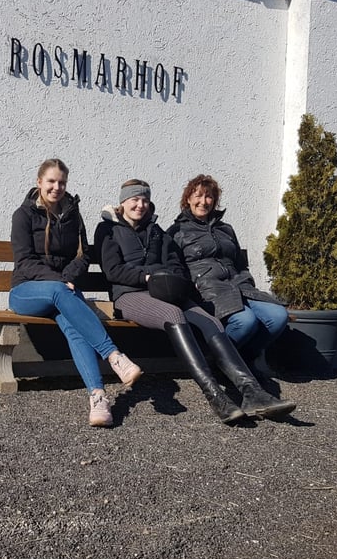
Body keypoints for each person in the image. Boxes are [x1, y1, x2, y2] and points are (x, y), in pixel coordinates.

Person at [94, 179, 295, 423]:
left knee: (211, 321)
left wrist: (172, 280)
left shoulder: (156, 231)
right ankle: (216, 396)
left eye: (145, 200)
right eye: (135, 199)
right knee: (174, 315)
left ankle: (252, 392)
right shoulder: (108, 229)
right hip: (129, 295)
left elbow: (175, 264)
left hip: (164, 291)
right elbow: (113, 271)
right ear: (123, 202)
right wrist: (147, 277)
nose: (140, 205)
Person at [9, 159, 142, 428]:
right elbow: (24, 261)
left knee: (73, 327)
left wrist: (66, 279)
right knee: (60, 292)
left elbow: (83, 256)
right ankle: (114, 356)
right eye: (51, 182)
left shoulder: (72, 214)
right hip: (26, 291)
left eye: (62, 183)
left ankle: (98, 397)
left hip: (62, 292)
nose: (57, 187)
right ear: (39, 182)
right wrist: (59, 281)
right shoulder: (22, 215)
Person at [168, 174, 290, 370]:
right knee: (245, 322)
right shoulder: (177, 231)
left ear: (215, 201)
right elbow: (176, 269)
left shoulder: (226, 229)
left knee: (277, 316)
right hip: (209, 291)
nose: (203, 201)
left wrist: (247, 280)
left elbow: (240, 264)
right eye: (198, 196)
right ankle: (219, 362)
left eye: (209, 197)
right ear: (188, 199)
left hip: (240, 286)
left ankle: (242, 361)